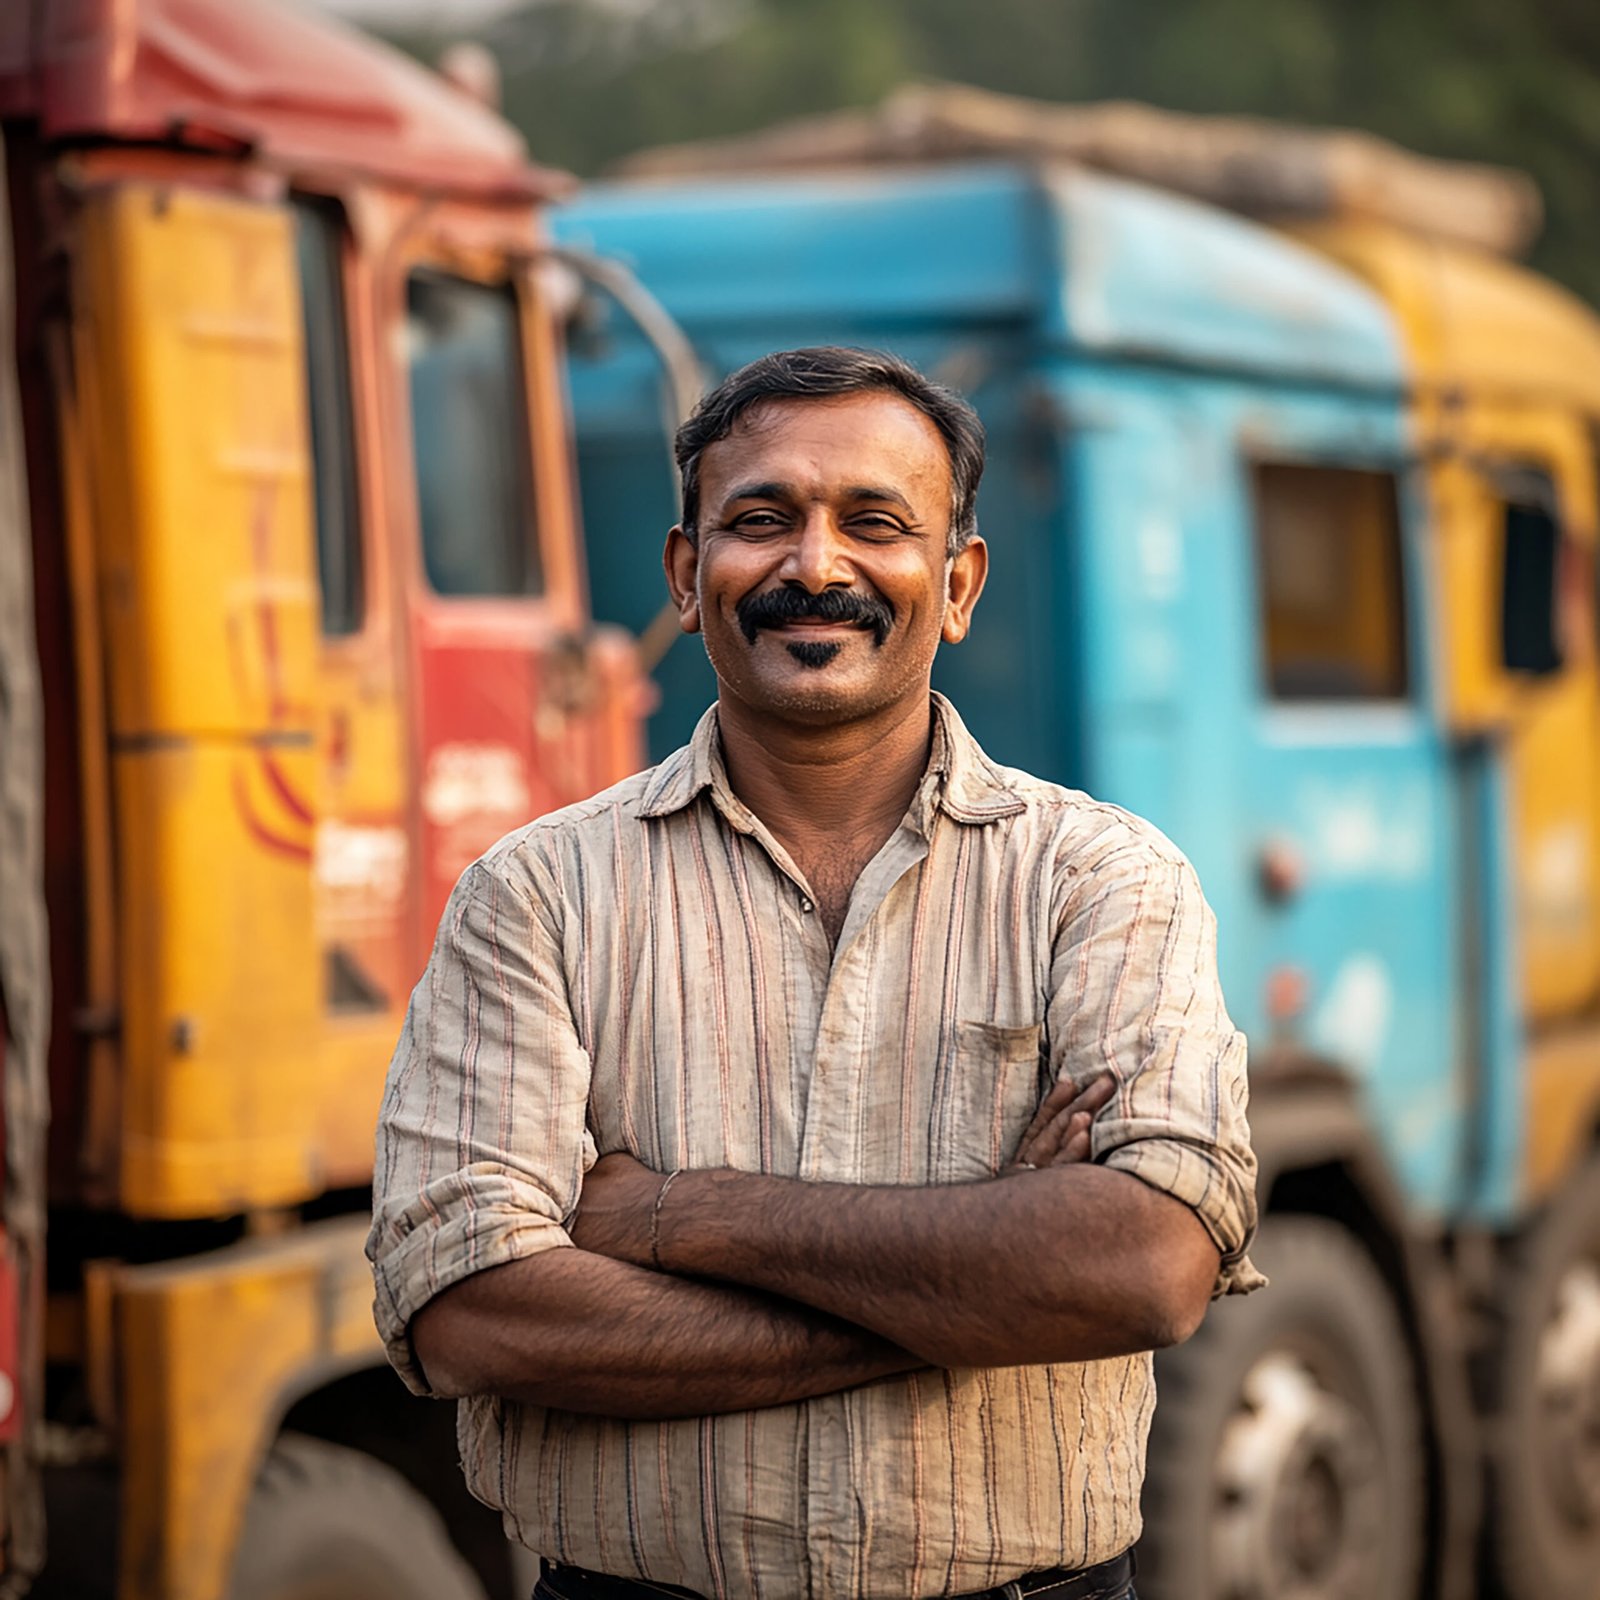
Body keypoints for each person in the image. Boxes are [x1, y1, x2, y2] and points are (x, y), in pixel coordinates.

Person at [367, 347, 1262, 1600]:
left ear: (956, 585)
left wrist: (679, 1215)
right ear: (688, 576)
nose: (815, 566)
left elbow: (1148, 1264)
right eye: (761, 519)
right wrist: (976, 1289)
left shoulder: (1101, 880)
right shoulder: (535, 897)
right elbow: (473, 1312)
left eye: (876, 523)